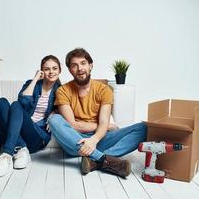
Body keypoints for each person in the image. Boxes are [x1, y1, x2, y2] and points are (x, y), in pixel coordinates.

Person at [48, 48, 147, 178]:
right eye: (74, 65)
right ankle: (103, 159)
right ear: (70, 70)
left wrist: (94, 139)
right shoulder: (62, 91)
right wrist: (105, 127)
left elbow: (104, 122)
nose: (80, 68)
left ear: (91, 65)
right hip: (76, 141)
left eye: (83, 63)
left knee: (144, 128)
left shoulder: (104, 90)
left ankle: (94, 161)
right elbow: (73, 125)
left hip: (100, 138)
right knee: (54, 119)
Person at [0, 55, 61, 177]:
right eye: (47, 69)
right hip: (19, 131)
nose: (51, 72)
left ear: (59, 70)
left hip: (36, 136)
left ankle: (7, 154)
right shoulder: (32, 84)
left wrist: (55, 112)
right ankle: (21, 149)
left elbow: (67, 108)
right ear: (41, 71)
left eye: (54, 68)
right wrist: (35, 79)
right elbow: (23, 102)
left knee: (15, 105)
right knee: (1, 102)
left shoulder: (61, 90)